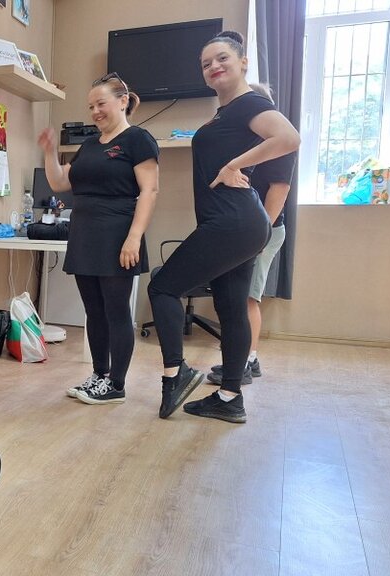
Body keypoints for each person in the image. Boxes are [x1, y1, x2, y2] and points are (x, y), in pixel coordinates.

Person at [147, 31, 300, 423]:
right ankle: (230, 398)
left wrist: (235, 165)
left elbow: (289, 137)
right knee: (231, 308)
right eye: (206, 63)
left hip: (233, 222)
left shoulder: (251, 103)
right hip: (239, 224)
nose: (213, 66)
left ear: (243, 63)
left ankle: (175, 375)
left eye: (222, 59)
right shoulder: (226, 112)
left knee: (163, 286)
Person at [37, 72, 159, 405]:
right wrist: (49, 151)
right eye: (90, 106)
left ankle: (116, 384)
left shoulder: (138, 139)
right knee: (94, 311)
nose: (95, 112)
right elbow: (61, 183)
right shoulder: (90, 145)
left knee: (116, 310)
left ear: (123, 101)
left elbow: (149, 191)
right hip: (85, 235)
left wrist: (134, 238)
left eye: (100, 104)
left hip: (118, 235)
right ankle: (99, 375)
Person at [207, 84, 296, 387]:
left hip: (264, 231)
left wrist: (261, 234)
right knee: (236, 297)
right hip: (244, 229)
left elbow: (279, 190)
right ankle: (243, 358)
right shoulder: (250, 144)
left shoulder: (279, 145)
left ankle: (246, 361)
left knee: (247, 298)